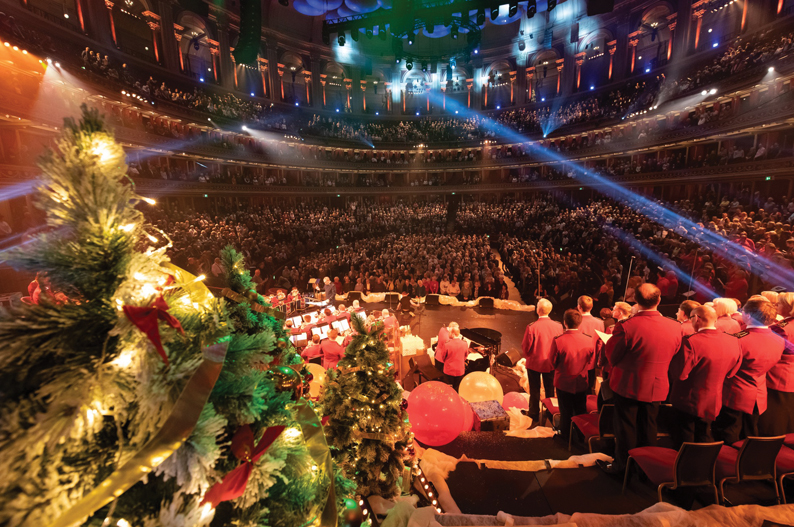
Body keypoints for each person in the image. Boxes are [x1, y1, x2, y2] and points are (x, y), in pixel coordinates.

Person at [598, 284, 682, 475]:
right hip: (657, 386)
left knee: (626, 428)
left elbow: (612, 356)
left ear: (636, 300)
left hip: (628, 385)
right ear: (659, 301)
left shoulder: (627, 326)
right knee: (649, 426)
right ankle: (647, 468)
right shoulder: (675, 327)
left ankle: (623, 468)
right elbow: (675, 353)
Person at [668, 305, 742, 447]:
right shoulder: (733, 340)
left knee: (685, 439)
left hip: (688, 400)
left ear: (696, 318)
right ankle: (706, 466)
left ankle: (685, 468)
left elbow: (680, 374)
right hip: (714, 398)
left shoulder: (691, 342)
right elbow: (733, 371)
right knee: (705, 435)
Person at [713, 298, 785, 444]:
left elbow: (726, 367)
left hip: (735, 393)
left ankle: (729, 465)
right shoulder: (779, 340)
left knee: (729, 433)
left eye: (743, 311)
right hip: (759, 393)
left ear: (749, 316)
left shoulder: (739, 340)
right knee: (751, 433)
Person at [550, 310, 595, 441]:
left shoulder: (559, 340)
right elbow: (591, 361)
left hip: (564, 381)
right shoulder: (588, 339)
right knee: (580, 409)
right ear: (580, 323)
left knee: (565, 411)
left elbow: (552, 362)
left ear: (565, 322)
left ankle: (565, 436)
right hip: (581, 381)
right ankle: (581, 435)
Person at [521, 299, 564, 422]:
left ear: (537, 310)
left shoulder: (532, 327)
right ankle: (550, 413)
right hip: (551, 362)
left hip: (535, 362)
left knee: (534, 388)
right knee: (550, 388)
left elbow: (526, 347)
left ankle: (534, 413)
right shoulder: (558, 326)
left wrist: (530, 355)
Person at [761, 292, 794, 435]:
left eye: (779, 303)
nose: (776, 306)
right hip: (790, 374)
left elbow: (771, 351)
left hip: (779, 374)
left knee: (775, 416)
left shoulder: (782, 328)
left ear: (788, 307)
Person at [443, 326, 468, 390]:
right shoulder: (465, 344)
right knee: (457, 389)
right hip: (460, 371)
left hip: (449, 371)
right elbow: (465, 356)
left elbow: (443, 357)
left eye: (450, 332)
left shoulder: (447, 344)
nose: (448, 334)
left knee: (448, 389)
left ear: (453, 334)